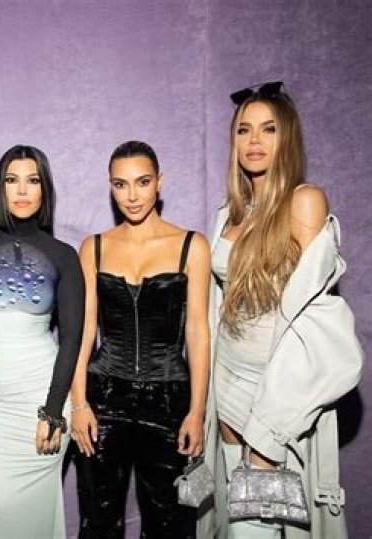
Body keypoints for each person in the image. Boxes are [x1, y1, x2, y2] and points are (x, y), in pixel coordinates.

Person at [199, 82, 363, 538]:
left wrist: (272, 425)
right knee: (238, 523)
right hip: (227, 384)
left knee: (258, 526)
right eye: (244, 130)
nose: (254, 141)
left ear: (286, 137)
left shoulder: (304, 201)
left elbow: (314, 320)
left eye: (268, 129)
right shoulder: (229, 214)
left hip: (273, 392)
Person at [70, 141, 211, 538]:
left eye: (142, 182)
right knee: (98, 519)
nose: (132, 195)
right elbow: (83, 331)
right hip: (104, 397)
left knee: (169, 523)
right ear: (110, 187)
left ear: (159, 182)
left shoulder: (191, 246)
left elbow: (198, 332)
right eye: (120, 184)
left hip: (169, 400)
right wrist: (79, 403)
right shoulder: (94, 247)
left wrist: (196, 411)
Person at [0, 145, 84, 538]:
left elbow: (72, 338)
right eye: (12, 179)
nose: (22, 190)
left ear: (45, 189)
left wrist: (53, 412)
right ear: (0, 187)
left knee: (34, 521)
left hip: (40, 405)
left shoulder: (63, 255)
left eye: (32, 180)